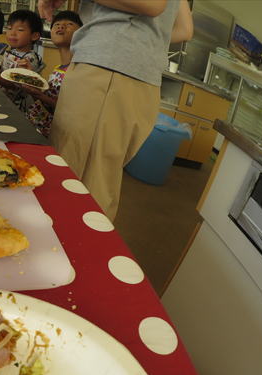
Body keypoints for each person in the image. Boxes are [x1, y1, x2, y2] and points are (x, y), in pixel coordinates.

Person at [37, 0, 193, 221]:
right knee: (99, 178)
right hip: (133, 76)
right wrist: (145, 40)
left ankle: (55, 240)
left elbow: (153, 4)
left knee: (71, 174)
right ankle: (80, 241)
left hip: (108, 67)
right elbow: (184, 30)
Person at [22, 10, 82, 137]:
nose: (61, 26)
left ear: (82, 32)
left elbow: (70, 110)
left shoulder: (80, 71)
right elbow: (44, 103)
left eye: (69, 24)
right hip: (34, 128)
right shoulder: (58, 68)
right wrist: (33, 81)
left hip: (53, 137)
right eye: (56, 24)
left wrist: (40, 94)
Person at [0, 9, 44, 112]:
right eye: (9, 28)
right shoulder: (11, 51)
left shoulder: (29, 59)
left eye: (20, 30)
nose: (12, 33)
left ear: (34, 36)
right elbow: (3, 66)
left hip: (15, 106)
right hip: (0, 96)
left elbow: (14, 86)